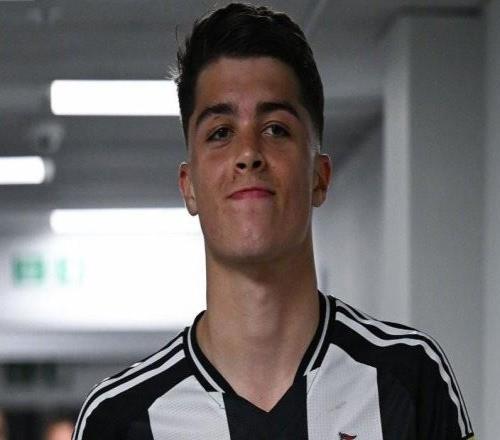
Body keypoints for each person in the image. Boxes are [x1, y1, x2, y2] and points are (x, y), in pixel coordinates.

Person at [72, 3, 474, 439]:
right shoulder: (117, 418)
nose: (248, 153)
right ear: (189, 187)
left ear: (319, 177)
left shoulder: (411, 377)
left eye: (276, 129)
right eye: (221, 132)